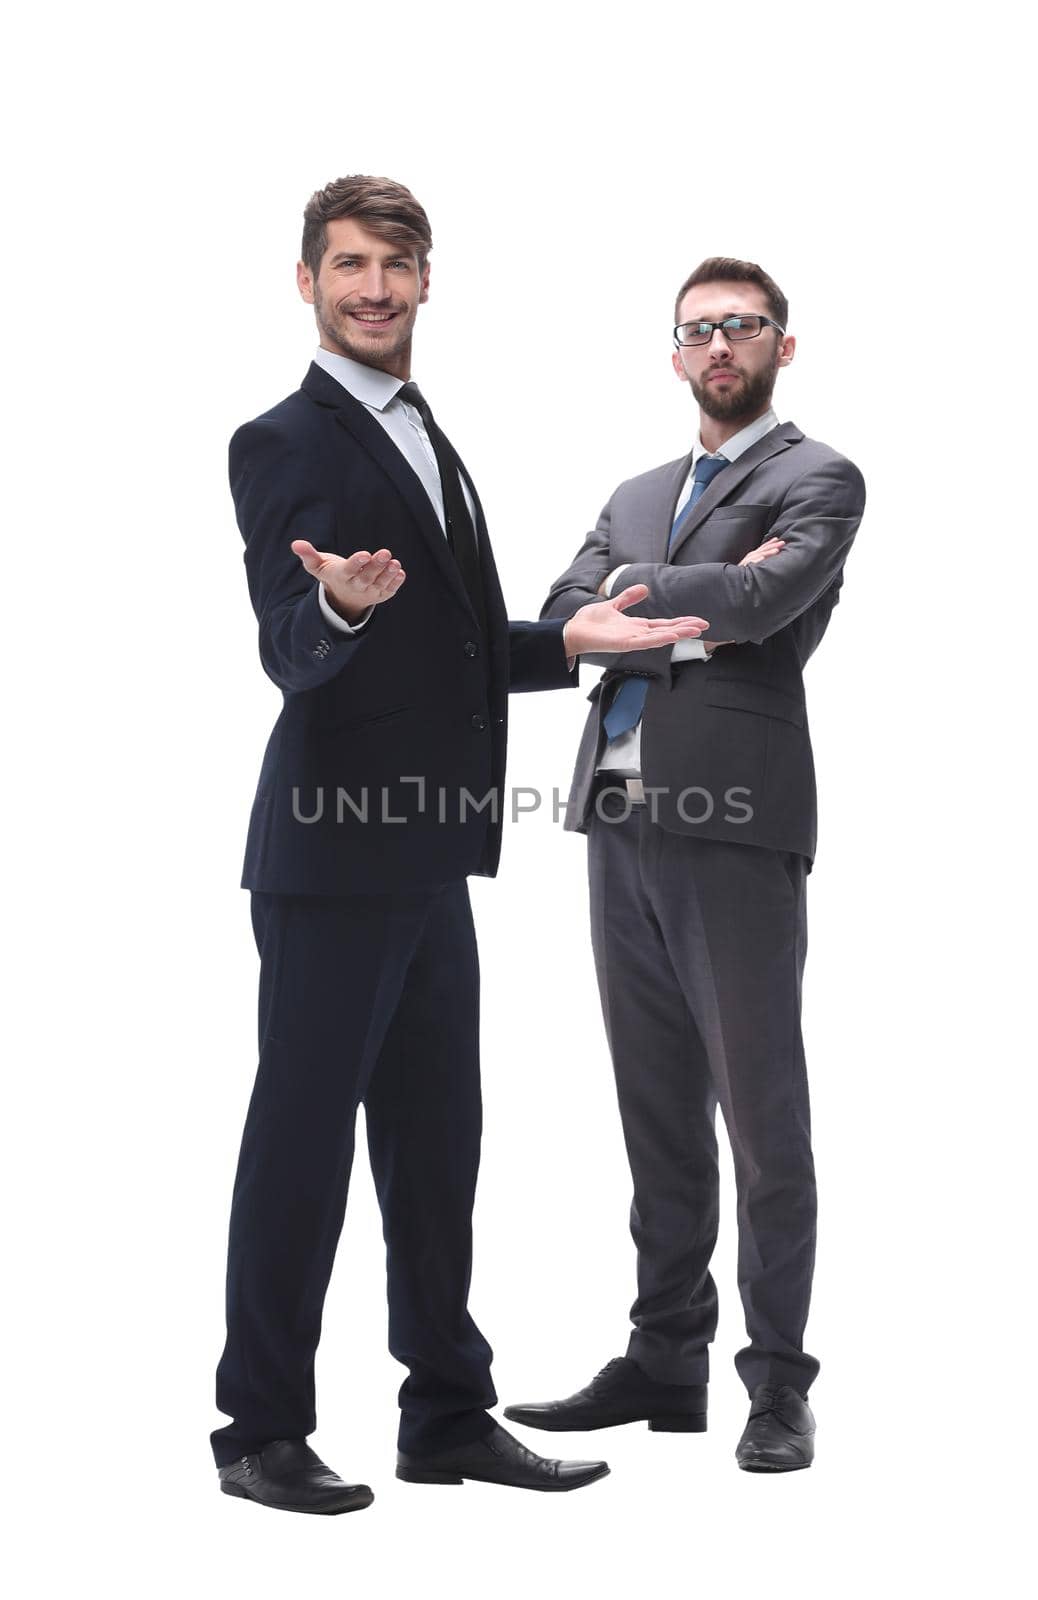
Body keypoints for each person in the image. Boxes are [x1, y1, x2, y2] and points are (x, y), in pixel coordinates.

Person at [211, 174, 709, 1514]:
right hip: (328, 858)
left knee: (439, 1146)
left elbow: (445, 650)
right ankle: (258, 1430)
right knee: (302, 1145)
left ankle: (443, 1414)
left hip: (428, 861)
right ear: (306, 283)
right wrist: (342, 617)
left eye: (394, 262)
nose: (371, 285)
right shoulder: (284, 441)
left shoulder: (422, 429)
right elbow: (292, 646)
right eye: (347, 263)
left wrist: (571, 646)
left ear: (427, 279)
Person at [505, 257, 865, 1472]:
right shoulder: (639, 485)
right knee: (655, 1109)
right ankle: (666, 1358)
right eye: (698, 330)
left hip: (737, 820)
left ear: (781, 345)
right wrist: (626, 603)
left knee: (763, 1117)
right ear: (674, 355)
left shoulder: (816, 474)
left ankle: (777, 1384)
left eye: (743, 327)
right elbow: (561, 610)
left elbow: (767, 601)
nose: (720, 346)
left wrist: (630, 594)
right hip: (618, 815)